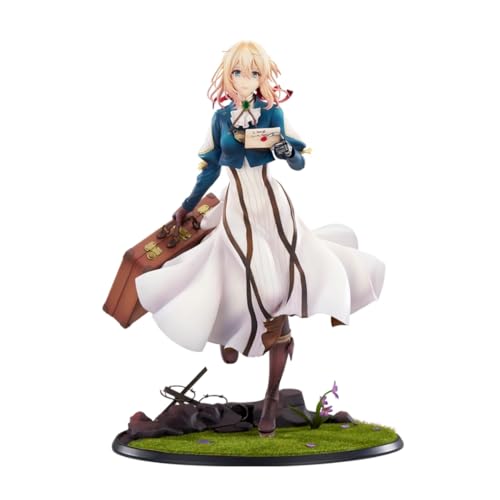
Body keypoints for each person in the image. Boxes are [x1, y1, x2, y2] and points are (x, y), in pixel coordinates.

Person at [135, 40, 385, 437]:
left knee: (280, 278)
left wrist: (286, 151)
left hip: (271, 203)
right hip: (236, 204)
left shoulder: (272, 113)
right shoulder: (221, 118)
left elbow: (297, 162)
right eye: (238, 72)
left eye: (253, 73)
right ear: (228, 76)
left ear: (262, 77)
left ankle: (271, 393)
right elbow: (210, 168)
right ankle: (234, 329)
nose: (245, 80)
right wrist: (186, 205)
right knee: (233, 268)